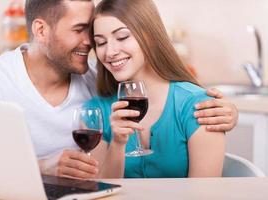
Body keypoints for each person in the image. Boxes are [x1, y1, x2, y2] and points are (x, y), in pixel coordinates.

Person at [0, 0, 236, 179]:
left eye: (120, 37)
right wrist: (39, 168)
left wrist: (228, 112)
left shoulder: (96, 78)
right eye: (83, 31)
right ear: (41, 30)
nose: (95, 47)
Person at [87, 0, 226, 178]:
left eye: (122, 37)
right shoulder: (98, 111)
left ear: (150, 36)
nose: (110, 52)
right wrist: (117, 144)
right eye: (100, 43)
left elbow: (205, 194)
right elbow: (99, 192)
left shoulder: (200, 107)